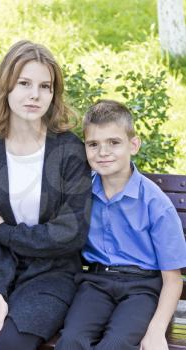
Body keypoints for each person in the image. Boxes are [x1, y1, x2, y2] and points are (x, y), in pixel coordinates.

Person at [0, 40, 91, 350]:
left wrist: (6, 232)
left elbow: (71, 235)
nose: (35, 95)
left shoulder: (69, 152)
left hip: (52, 274)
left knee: (11, 344)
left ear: (54, 93)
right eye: (24, 83)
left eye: (45, 86)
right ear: (7, 87)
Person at [55, 99, 186, 350]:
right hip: (95, 283)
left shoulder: (155, 203)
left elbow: (173, 279)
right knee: (71, 341)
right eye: (93, 144)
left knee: (114, 345)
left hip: (142, 289)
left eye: (114, 142)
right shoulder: (80, 193)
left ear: (133, 145)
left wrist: (156, 331)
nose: (103, 152)